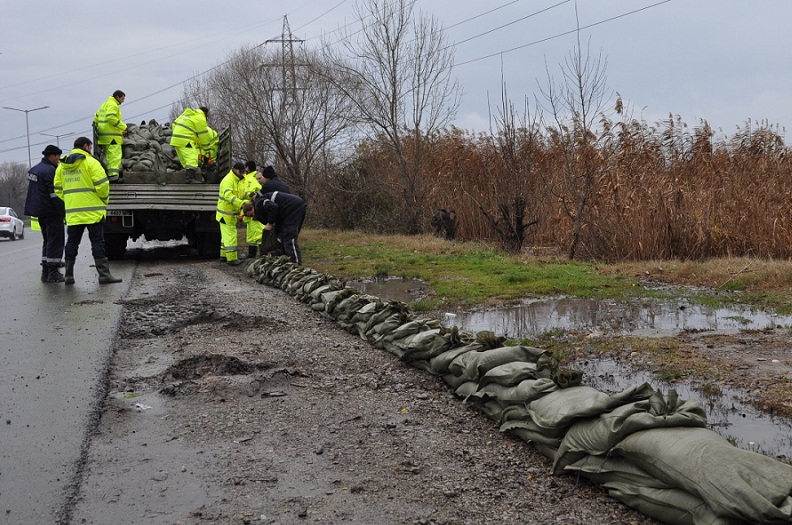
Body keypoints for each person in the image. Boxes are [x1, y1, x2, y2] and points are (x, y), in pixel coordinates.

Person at [54, 137, 122, 285]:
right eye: (90, 147)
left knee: (72, 243)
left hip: (73, 213)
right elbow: (102, 185)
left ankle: (68, 276)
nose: (90, 149)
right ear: (86, 146)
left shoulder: (62, 166)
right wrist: (103, 200)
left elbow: (58, 189)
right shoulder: (91, 163)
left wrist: (71, 201)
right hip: (93, 212)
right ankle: (104, 275)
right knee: (97, 242)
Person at [24, 144, 66, 282]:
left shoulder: (36, 169)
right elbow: (54, 194)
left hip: (40, 211)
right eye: (57, 156)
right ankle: (53, 272)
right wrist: (62, 211)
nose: (59, 159)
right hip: (51, 211)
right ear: (52, 156)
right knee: (55, 240)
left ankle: (46, 271)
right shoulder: (50, 171)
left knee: (47, 240)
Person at [243, 191, 307, 265]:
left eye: (251, 214)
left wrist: (270, 223)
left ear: (252, 207)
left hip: (292, 207)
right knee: (282, 236)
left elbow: (274, 207)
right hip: (290, 209)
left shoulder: (259, 204)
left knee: (289, 237)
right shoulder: (259, 211)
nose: (253, 217)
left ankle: (296, 264)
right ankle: (286, 260)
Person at [216, 162, 248, 265]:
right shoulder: (228, 180)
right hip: (226, 214)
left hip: (229, 214)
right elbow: (228, 196)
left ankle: (224, 256)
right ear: (234, 169)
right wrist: (241, 204)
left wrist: (250, 195)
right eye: (241, 172)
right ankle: (232, 259)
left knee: (225, 236)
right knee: (231, 236)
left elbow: (242, 192)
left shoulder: (238, 180)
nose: (242, 174)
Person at [169, 106, 211, 184]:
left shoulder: (187, 115)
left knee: (185, 161)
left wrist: (177, 134)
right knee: (192, 158)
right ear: (205, 113)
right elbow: (203, 135)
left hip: (176, 139)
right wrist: (207, 148)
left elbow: (174, 124)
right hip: (185, 140)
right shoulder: (200, 118)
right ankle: (189, 179)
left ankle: (189, 176)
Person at [93, 90, 127, 183]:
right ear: (117, 97)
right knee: (114, 157)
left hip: (103, 136)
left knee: (108, 156)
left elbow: (95, 118)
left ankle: (109, 175)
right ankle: (113, 178)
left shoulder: (104, 105)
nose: (123, 101)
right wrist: (124, 127)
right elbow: (111, 118)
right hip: (112, 137)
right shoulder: (113, 105)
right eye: (122, 99)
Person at [240, 160, 263, 259]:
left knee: (258, 233)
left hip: (252, 209)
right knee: (251, 234)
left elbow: (253, 191)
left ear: (247, 168)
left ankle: (262, 254)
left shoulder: (251, 179)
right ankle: (252, 254)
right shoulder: (248, 178)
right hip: (249, 209)